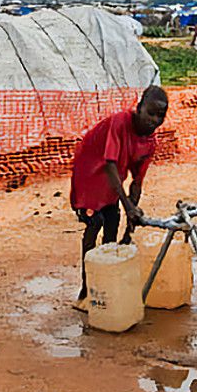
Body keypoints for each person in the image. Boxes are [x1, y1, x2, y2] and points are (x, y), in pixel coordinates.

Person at [69, 86, 169, 306]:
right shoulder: (120, 122)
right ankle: (85, 288)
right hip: (90, 181)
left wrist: (131, 223)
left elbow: (137, 182)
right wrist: (128, 206)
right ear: (139, 108)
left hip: (111, 189)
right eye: (150, 113)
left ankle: (103, 287)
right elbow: (110, 165)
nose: (155, 120)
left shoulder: (149, 142)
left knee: (112, 230)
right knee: (94, 224)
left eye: (160, 116)